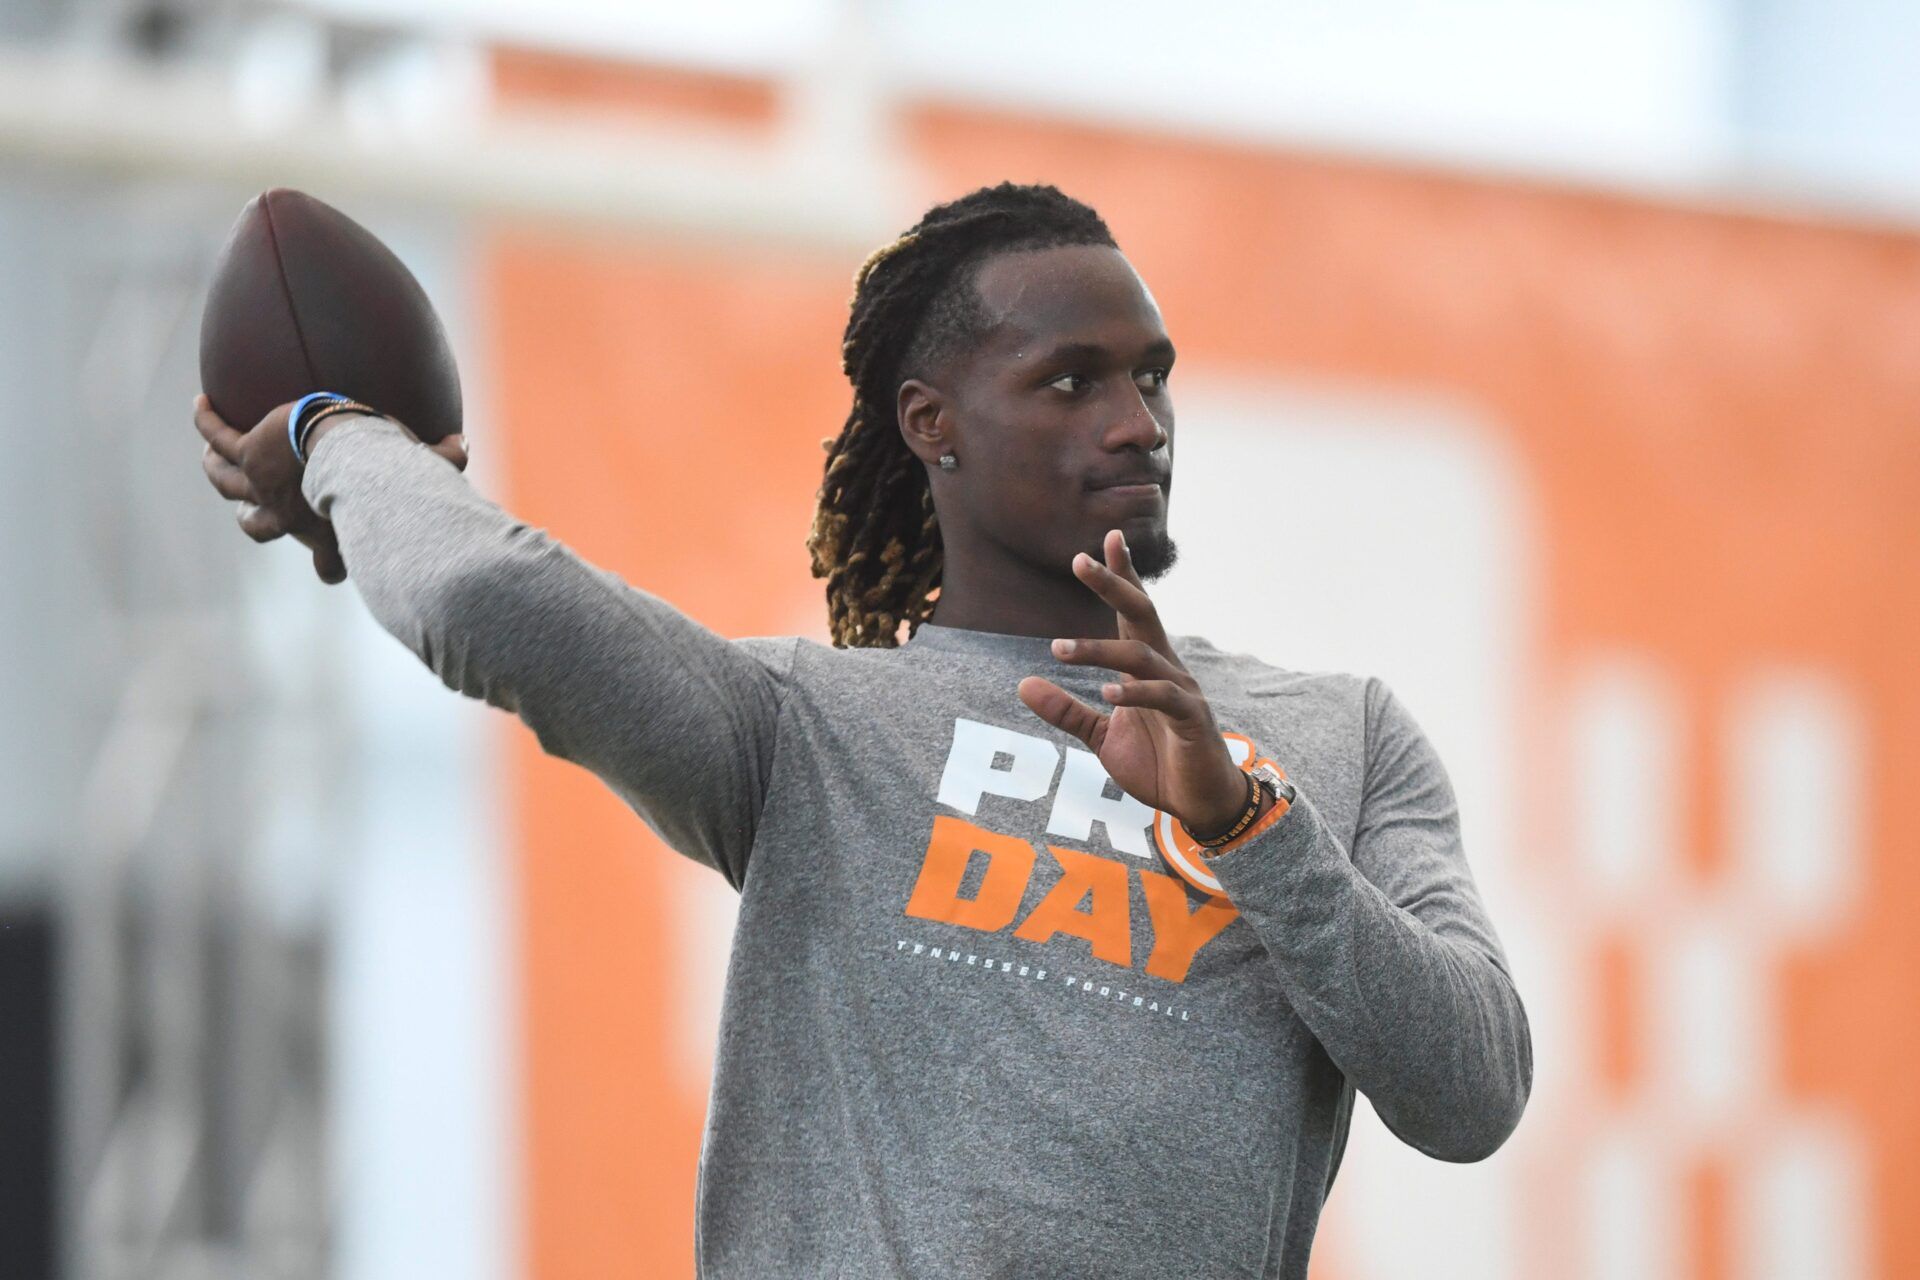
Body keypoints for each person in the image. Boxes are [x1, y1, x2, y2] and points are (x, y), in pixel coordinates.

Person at [194, 181, 1532, 1279]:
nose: (1138, 423)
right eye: (1071, 383)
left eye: (1149, 377)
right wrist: (332, 438)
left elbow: (1470, 1091)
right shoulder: (800, 733)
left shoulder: (1337, 737)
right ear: (931, 425)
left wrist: (1250, 821)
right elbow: (487, 589)